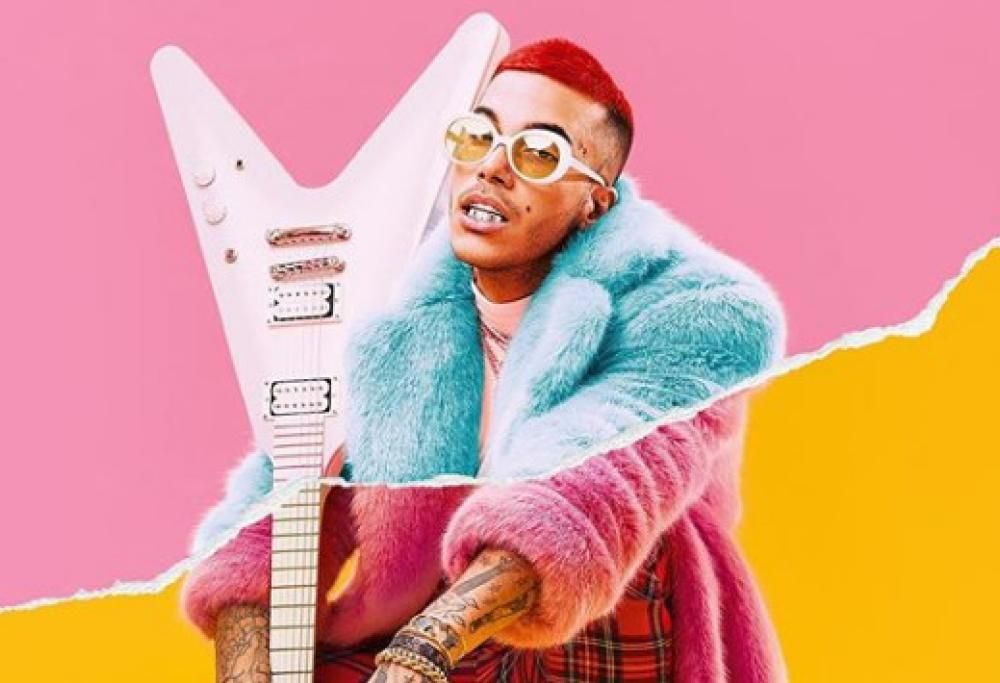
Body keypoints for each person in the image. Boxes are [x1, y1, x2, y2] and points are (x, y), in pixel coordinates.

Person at [181, 37, 789, 682]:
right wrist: (248, 667)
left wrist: (421, 652)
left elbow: (596, 490)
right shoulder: (393, 308)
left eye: (539, 153)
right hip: (436, 612)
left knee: (623, 551)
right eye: (478, 137)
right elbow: (282, 496)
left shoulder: (703, 306)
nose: (492, 168)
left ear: (594, 203)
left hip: (597, 618)